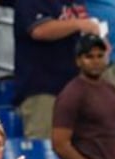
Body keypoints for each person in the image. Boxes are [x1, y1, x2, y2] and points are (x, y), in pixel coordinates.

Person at [52, 33, 115, 159]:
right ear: (78, 61)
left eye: (100, 55)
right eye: (89, 56)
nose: (95, 61)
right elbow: (60, 144)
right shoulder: (71, 94)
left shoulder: (110, 89)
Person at [13, 2, 101, 139]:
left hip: (73, 89)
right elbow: (39, 30)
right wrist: (78, 24)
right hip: (42, 90)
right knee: (42, 144)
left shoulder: (70, 2)